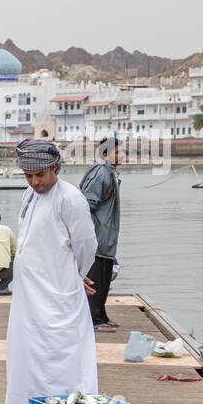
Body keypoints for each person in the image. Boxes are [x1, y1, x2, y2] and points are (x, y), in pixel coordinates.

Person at [0, 139, 98, 404]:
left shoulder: (71, 198)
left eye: (40, 175)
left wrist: (76, 275)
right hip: (29, 295)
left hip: (59, 293)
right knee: (25, 353)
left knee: (61, 355)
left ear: (55, 167)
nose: (35, 181)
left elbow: (86, 245)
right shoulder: (30, 195)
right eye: (29, 176)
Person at [79, 136, 123, 331]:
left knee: (105, 277)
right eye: (118, 152)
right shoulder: (101, 174)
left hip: (107, 238)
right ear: (106, 154)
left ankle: (101, 315)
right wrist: (91, 232)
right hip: (98, 236)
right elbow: (87, 203)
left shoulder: (110, 173)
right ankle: (94, 320)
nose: (122, 155)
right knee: (96, 278)